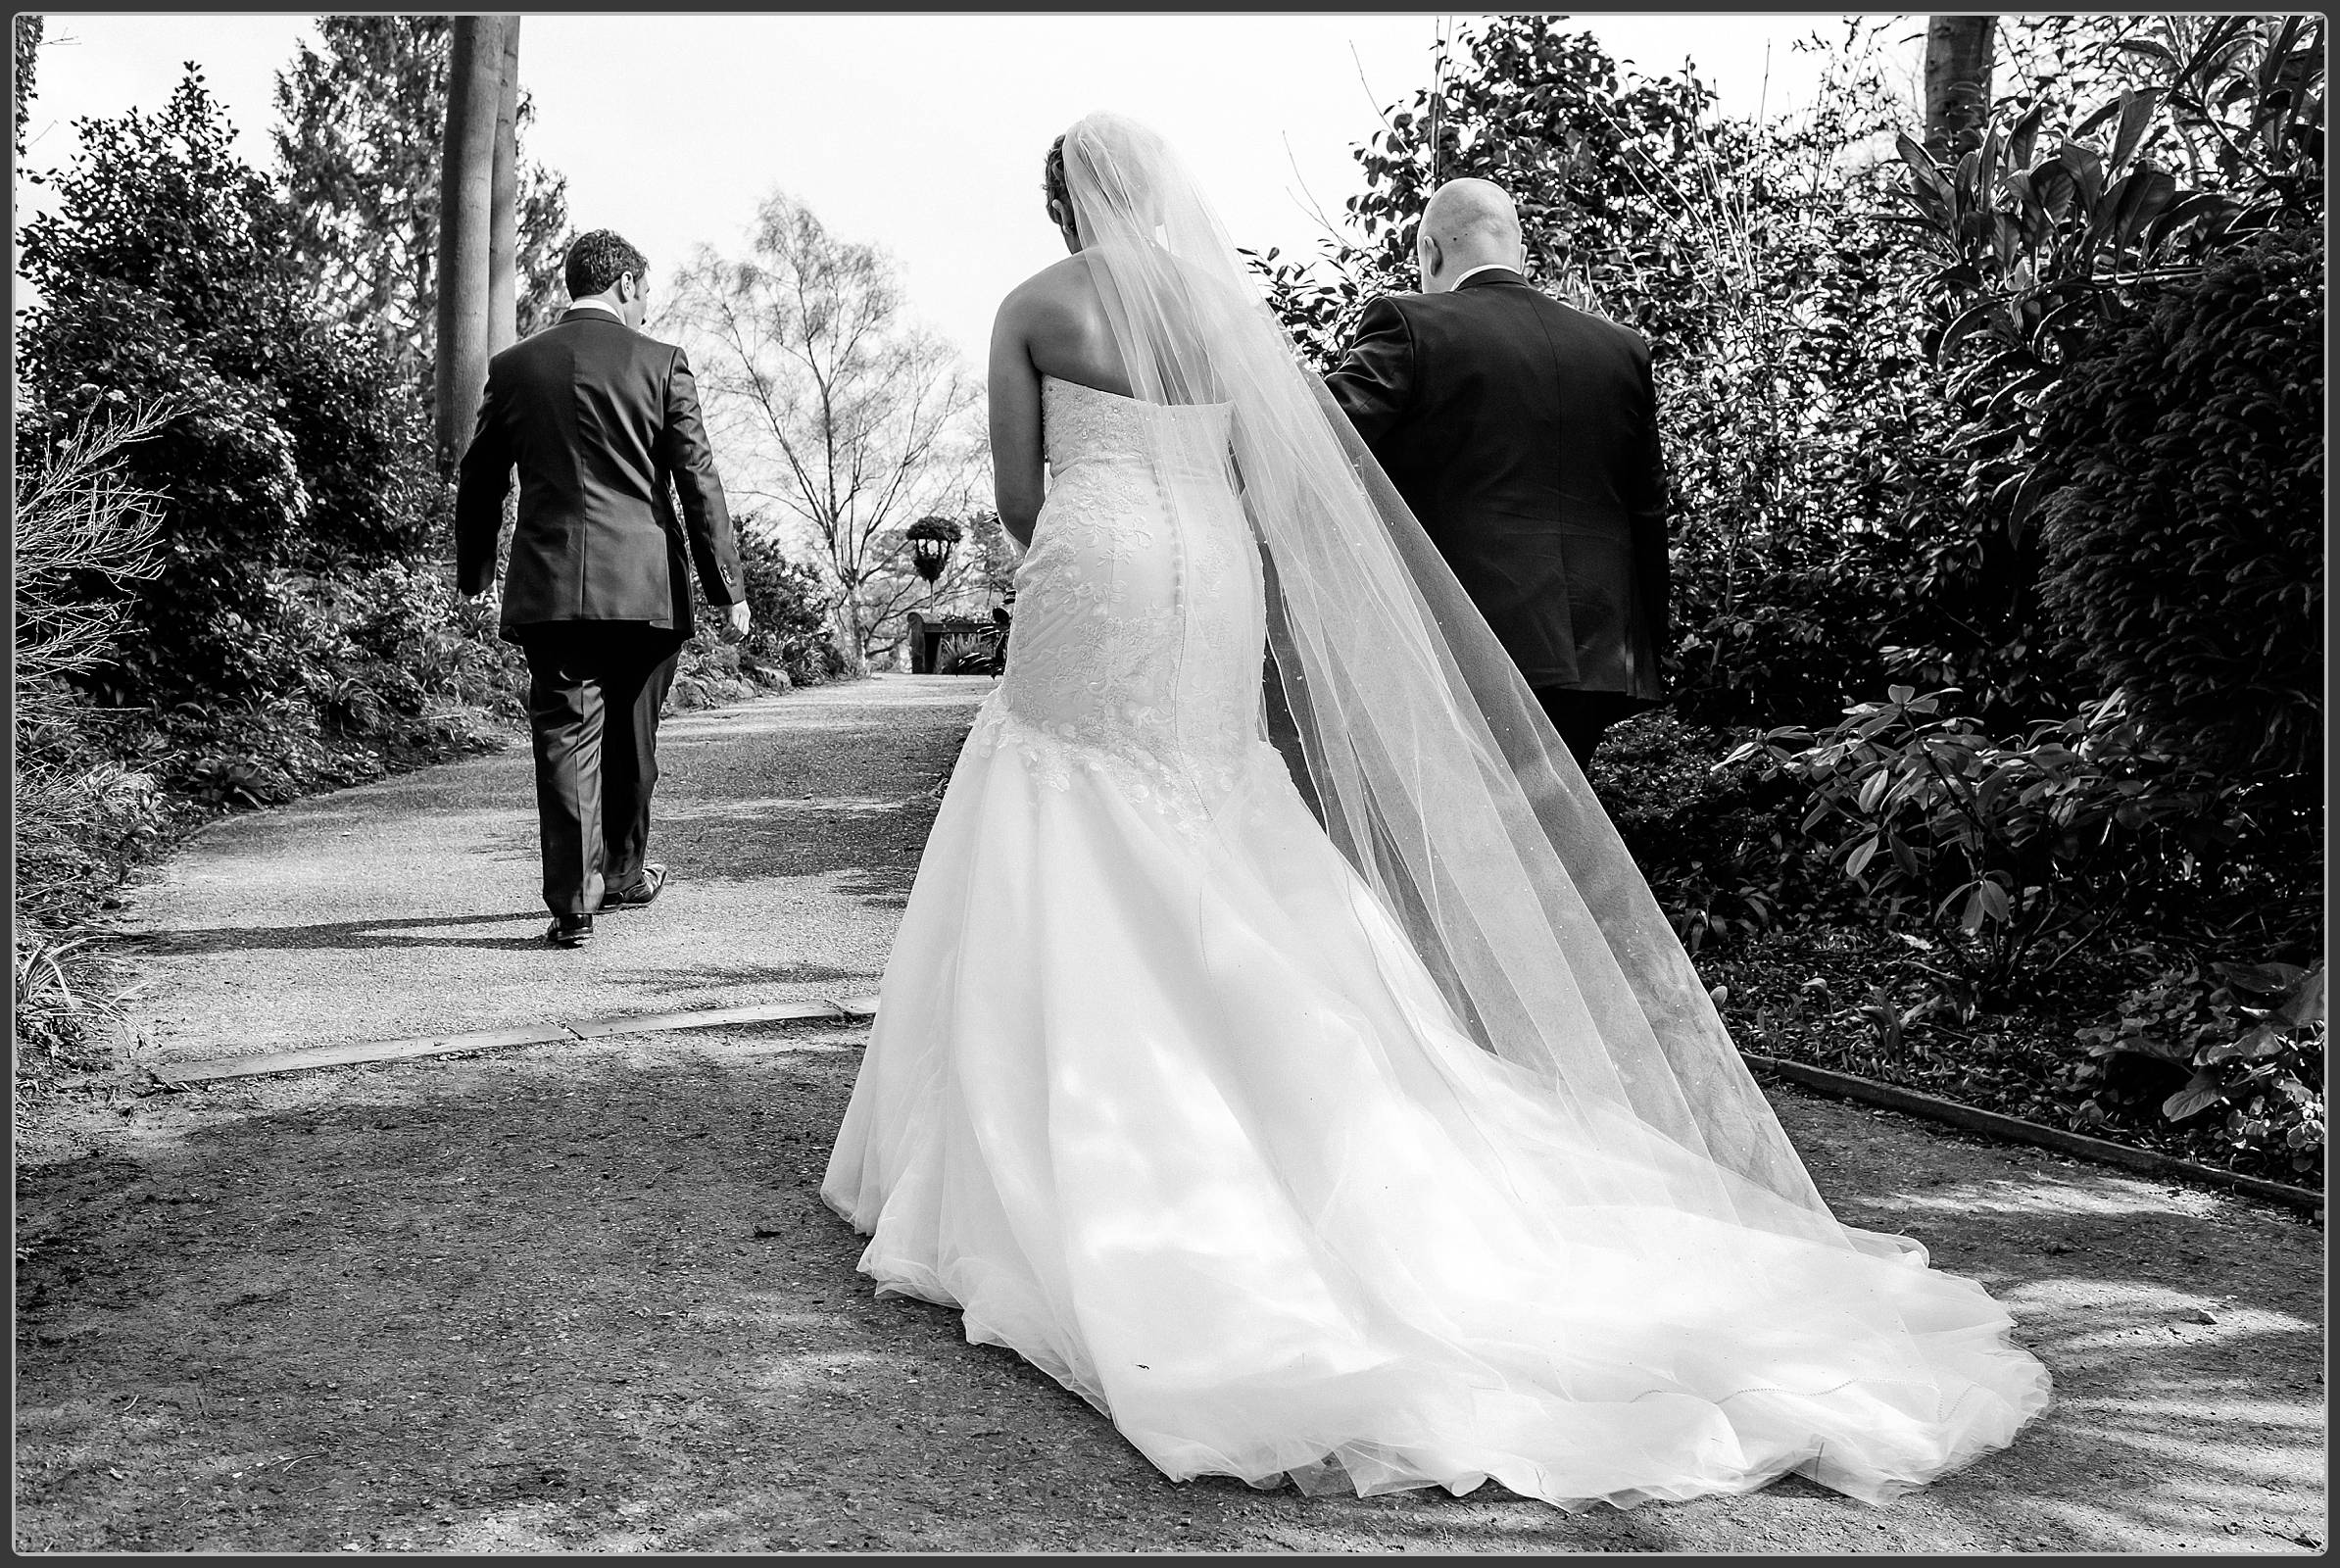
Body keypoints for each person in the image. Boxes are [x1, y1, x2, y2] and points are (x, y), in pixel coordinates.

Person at [821, 112, 2048, 1511]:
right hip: (1215, 575)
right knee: (1215, 803)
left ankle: (1047, 1111)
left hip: (1100, 563)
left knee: (1059, 793)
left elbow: (1021, 498)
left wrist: (1109, 528)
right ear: (1165, 194)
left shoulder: (1035, 305)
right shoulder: (1226, 312)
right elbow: (1276, 473)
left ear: (1058, 204)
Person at [456, 229, 750, 949]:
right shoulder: (661, 363)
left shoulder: (515, 368)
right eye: (645, 292)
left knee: (564, 736)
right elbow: (697, 480)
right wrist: (726, 588)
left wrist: (476, 577)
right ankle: (621, 872)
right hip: (647, 591)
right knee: (632, 739)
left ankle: (575, 906)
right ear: (624, 284)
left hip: (553, 589)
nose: (647, 307)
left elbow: (481, 480)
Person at [1326, 177, 1668, 772]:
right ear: (1521, 252)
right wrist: (1647, 647)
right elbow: (1647, 513)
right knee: (1555, 847)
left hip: (1465, 643)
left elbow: (1315, 437)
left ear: (1429, 251)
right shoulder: (1620, 350)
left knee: (1469, 852)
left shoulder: (1410, 325)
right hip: (1599, 653)